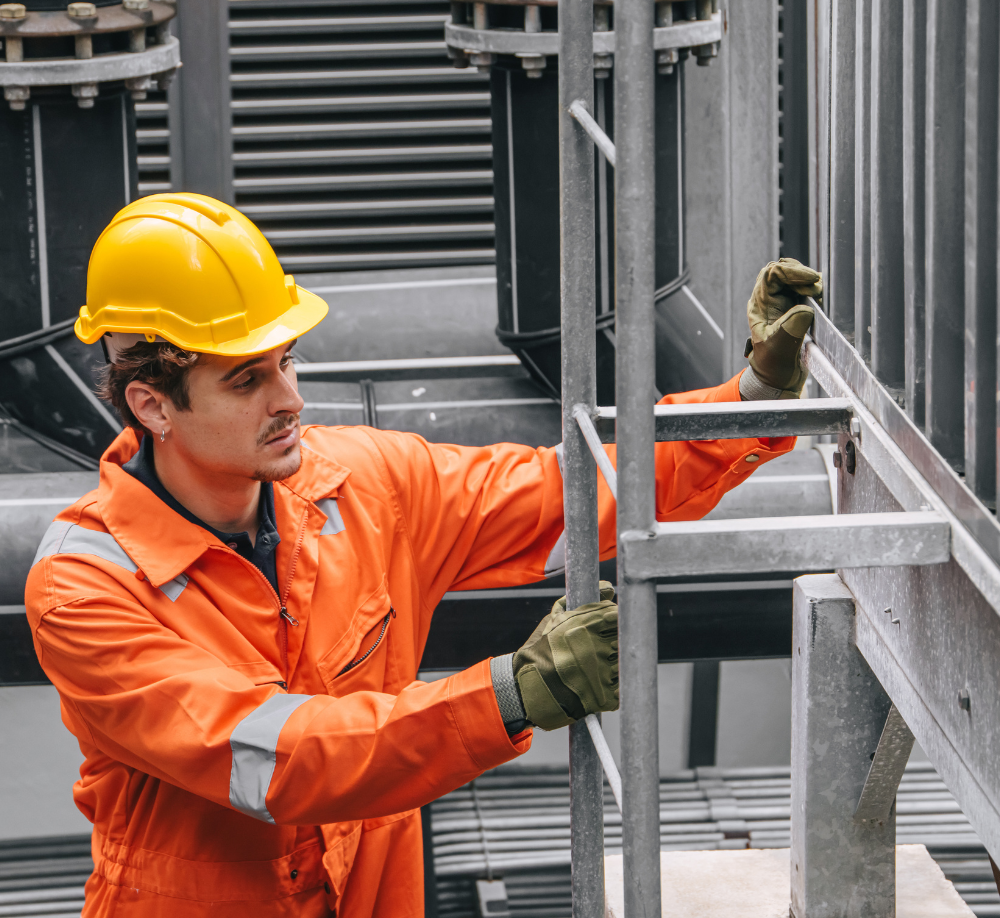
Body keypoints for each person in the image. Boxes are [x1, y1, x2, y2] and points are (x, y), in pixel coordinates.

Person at [25, 193, 822, 918]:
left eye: (287, 361)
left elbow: (567, 493)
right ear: (152, 404)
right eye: (246, 382)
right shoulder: (84, 587)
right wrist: (510, 694)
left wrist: (745, 401)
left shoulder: (364, 485)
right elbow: (277, 761)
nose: (290, 399)